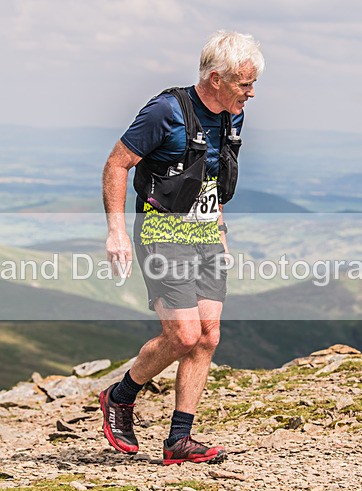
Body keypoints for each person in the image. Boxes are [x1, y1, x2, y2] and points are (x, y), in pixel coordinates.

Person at [100, 30, 264, 465]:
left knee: (208, 337)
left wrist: (221, 230)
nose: (251, 93)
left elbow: (212, 177)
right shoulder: (166, 111)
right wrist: (116, 231)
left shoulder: (233, 116)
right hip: (163, 232)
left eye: (253, 84)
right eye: (245, 83)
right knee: (183, 335)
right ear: (216, 78)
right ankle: (120, 396)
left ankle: (179, 440)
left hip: (206, 236)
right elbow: (117, 164)